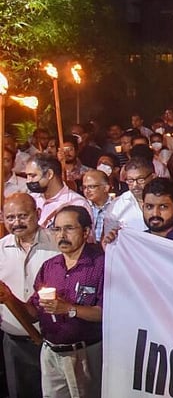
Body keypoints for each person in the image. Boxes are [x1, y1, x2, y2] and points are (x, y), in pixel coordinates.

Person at [1, 206, 103, 398]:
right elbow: (33, 313)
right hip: (50, 353)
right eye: (56, 229)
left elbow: (106, 313)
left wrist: (69, 309)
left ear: (86, 231)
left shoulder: (100, 265)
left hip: (84, 354)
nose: (61, 235)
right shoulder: (50, 266)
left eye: (69, 228)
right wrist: (9, 298)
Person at [0, 193, 60, 398]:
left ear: (37, 213)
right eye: (10, 218)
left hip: (54, 343)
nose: (17, 223)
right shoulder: (1, 248)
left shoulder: (58, 243)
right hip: (14, 342)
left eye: (23, 216)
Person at [24, 153, 93, 229]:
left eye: (33, 176)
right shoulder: (31, 199)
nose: (28, 181)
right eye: (27, 176)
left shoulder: (77, 203)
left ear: (49, 174)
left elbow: (87, 238)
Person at [104, 157, 155, 232]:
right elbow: (108, 237)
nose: (135, 185)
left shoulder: (168, 200)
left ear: (153, 177)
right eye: (130, 180)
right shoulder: (117, 205)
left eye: (140, 180)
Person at [82, 169, 114, 243]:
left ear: (106, 188)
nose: (87, 191)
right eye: (84, 187)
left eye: (92, 187)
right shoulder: (83, 206)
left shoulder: (117, 206)